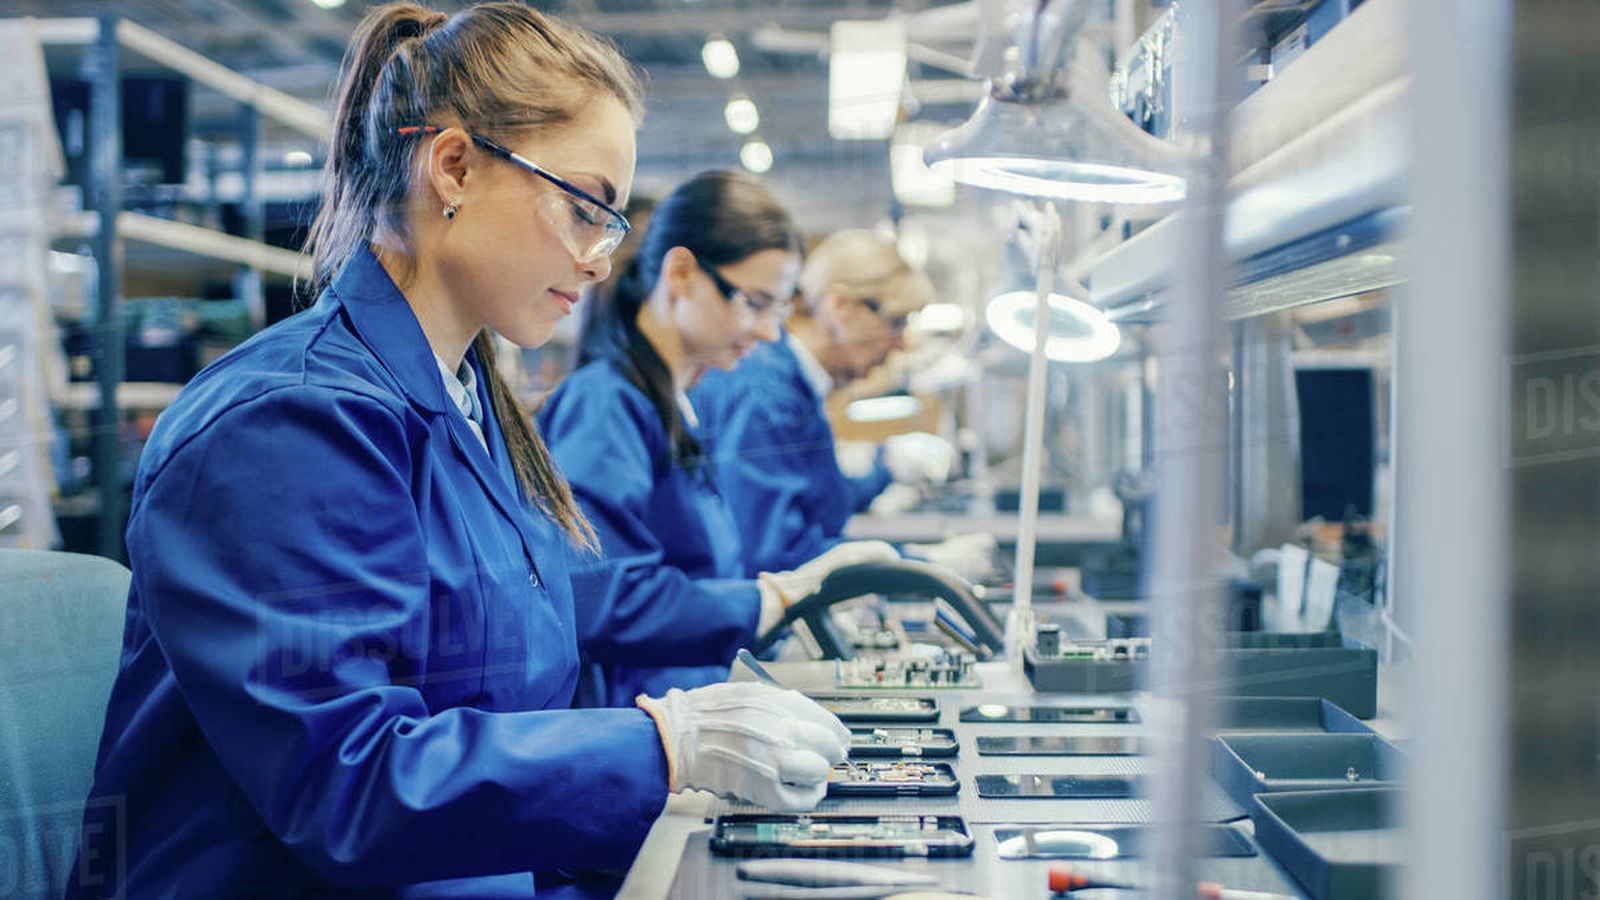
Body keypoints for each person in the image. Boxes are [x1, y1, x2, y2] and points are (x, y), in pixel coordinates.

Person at [67, 5, 849, 897]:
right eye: (587, 206)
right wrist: (660, 748)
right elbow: (350, 782)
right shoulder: (286, 423)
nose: (600, 261)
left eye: (612, 224)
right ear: (455, 166)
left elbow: (535, 652)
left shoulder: (472, 403)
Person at [538, 171, 899, 707]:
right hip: (639, 728)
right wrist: (766, 602)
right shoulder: (608, 405)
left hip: (689, 705)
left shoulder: (675, 407)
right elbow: (599, 596)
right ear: (681, 273)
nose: (769, 332)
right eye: (754, 302)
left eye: (778, 308)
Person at [692, 229, 991, 580]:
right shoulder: (764, 392)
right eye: (894, 322)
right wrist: (919, 568)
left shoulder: (795, 384)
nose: (900, 344)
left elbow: (812, 501)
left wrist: (883, 467)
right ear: (840, 307)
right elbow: (774, 554)